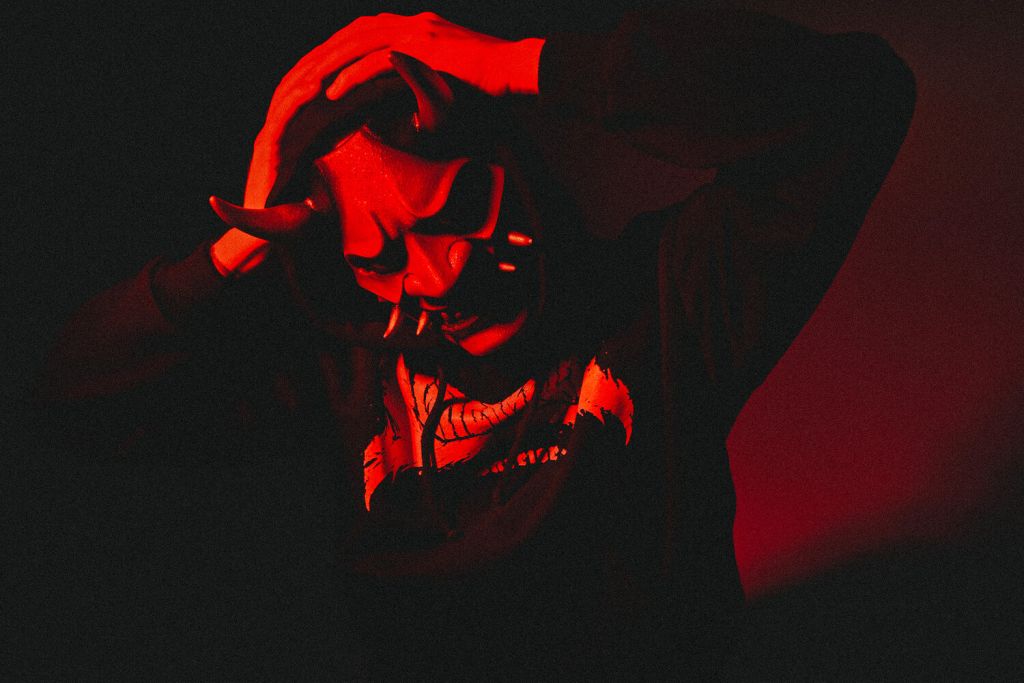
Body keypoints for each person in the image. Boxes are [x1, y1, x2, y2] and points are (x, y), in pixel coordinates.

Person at [34, 6, 914, 678]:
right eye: (380, 255)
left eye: (455, 209)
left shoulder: (664, 301)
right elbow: (72, 396)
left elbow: (858, 97)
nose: (439, 274)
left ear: (508, 167)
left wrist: (517, 66)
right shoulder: (345, 374)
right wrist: (233, 251)